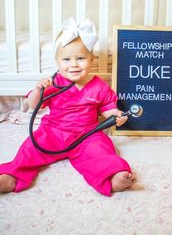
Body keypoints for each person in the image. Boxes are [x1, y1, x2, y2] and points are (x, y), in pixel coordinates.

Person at [0, 17, 135, 196]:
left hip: (87, 135)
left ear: (91, 58)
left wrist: (117, 115)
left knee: (102, 151)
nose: (73, 64)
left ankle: (113, 177)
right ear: (57, 62)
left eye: (80, 58)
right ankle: (11, 176)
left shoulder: (99, 86)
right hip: (54, 132)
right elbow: (33, 106)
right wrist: (38, 90)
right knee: (30, 148)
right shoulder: (54, 83)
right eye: (66, 59)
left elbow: (108, 109)